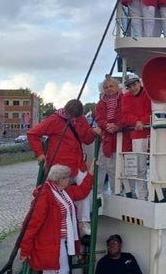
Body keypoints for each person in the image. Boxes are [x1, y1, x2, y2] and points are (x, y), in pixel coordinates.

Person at [27, 99, 101, 236]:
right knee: (57, 194)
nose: (75, 119)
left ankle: (83, 221)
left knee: (87, 188)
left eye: (77, 117)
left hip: (77, 163)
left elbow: (86, 139)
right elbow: (33, 134)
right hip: (59, 165)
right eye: (73, 116)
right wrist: (40, 154)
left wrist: (93, 132)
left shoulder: (81, 120)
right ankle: (57, 220)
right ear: (67, 112)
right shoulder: (55, 120)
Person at [19, 162, 94, 274]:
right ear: (61, 180)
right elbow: (32, 224)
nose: (70, 179)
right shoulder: (45, 195)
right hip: (50, 244)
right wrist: (25, 250)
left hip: (58, 242)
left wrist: (91, 173)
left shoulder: (64, 192)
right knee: (60, 271)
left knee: (62, 271)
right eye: (68, 177)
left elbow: (82, 191)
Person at [95, 75, 129, 194]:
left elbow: (126, 115)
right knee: (102, 166)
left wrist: (118, 126)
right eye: (106, 87)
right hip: (107, 138)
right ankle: (97, 195)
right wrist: (107, 125)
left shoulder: (124, 99)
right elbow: (98, 117)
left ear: (117, 87)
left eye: (111, 86)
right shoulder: (101, 103)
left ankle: (117, 193)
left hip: (121, 138)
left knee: (118, 168)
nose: (109, 89)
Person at [122, 73, 153, 200]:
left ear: (139, 83)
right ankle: (142, 195)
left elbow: (153, 111)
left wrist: (141, 121)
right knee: (140, 167)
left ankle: (156, 193)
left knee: (157, 164)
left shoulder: (149, 94)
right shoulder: (126, 97)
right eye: (130, 86)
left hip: (152, 134)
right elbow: (126, 115)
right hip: (138, 135)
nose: (133, 88)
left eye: (134, 84)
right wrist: (137, 122)